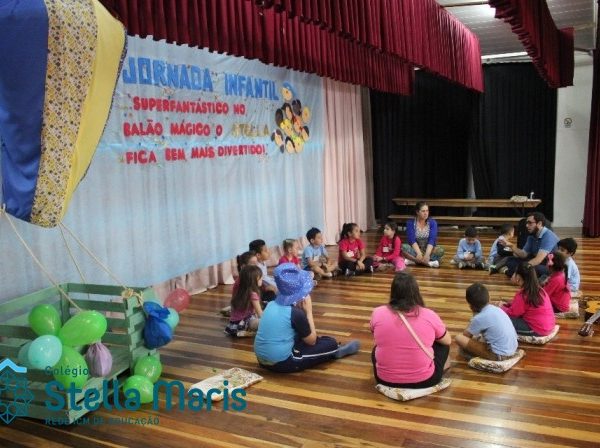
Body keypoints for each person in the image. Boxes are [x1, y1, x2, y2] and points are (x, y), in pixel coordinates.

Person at [254, 263, 360, 372]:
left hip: (261, 359)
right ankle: (334, 351)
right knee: (330, 343)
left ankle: (332, 349)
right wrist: (309, 312)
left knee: (310, 337)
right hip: (281, 362)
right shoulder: (295, 313)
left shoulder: (271, 304)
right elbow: (312, 341)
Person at [370, 272, 451, 388]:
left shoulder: (378, 312)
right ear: (416, 292)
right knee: (442, 345)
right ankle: (440, 367)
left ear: (393, 291)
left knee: (377, 348)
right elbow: (447, 341)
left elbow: (375, 333)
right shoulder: (429, 315)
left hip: (384, 380)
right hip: (425, 381)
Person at [455, 283, 518, 360]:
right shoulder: (496, 309)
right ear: (489, 298)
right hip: (513, 348)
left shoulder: (478, 318)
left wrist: (474, 314)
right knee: (479, 337)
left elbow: (466, 336)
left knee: (459, 338)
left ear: (470, 305)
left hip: (500, 355)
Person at [498, 262, 556, 337]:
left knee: (501, 319)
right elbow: (522, 306)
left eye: (515, 273)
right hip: (549, 326)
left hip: (537, 329)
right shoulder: (540, 290)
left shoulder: (523, 294)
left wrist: (501, 307)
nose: (513, 274)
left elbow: (512, 313)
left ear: (518, 277)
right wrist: (507, 305)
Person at [501, 212, 559, 278]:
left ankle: (515, 273)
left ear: (539, 224)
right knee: (511, 261)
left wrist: (521, 268)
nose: (527, 225)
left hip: (549, 265)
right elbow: (524, 254)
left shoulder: (548, 236)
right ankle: (519, 274)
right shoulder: (532, 235)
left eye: (530, 223)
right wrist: (511, 246)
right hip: (537, 261)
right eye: (527, 223)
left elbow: (538, 260)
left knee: (536, 269)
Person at [402, 201, 444, 268]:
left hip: (428, 250)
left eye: (427, 211)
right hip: (415, 250)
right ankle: (428, 263)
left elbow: (432, 240)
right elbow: (412, 240)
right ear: (417, 212)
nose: (426, 213)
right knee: (403, 247)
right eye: (423, 211)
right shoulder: (410, 223)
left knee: (440, 250)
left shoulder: (433, 222)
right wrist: (419, 253)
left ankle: (414, 261)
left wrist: (427, 254)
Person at [225, 265, 263, 336]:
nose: (262, 280)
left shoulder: (240, 290)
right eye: (260, 279)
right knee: (266, 323)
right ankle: (246, 332)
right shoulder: (253, 294)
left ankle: (245, 332)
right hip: (244, 323)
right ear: (253, 281)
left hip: (233, 324)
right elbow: (260, 314)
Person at [220, 251, 258, 317]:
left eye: (256, 263)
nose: (256, 266)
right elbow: (252, 299)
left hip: (247, 309)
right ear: (243, 266)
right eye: (253, 263)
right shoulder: (244, 280)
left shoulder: (250, 277)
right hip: (244, 313)